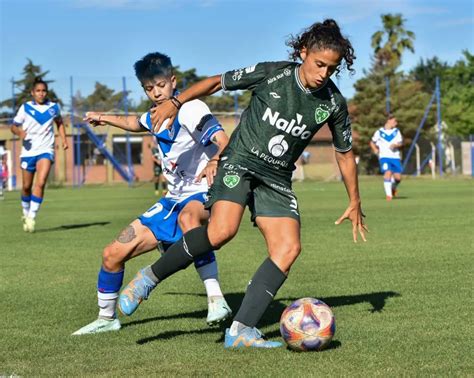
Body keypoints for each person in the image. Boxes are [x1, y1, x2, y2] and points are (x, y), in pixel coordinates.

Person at [119, 19, 367, 348]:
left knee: (288, 248)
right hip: (239, 160)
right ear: (303, 53)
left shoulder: (333, 103)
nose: (323, 74)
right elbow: (215, 82)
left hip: (277, 178)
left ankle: (240, 330)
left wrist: (354, 201)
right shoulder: (273, 73)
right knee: (222, 231)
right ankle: (149, 278)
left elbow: (345, 154)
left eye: (331, 69)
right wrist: (176, 102)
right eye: (319, 64)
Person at [72, 52, 232, 335]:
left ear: (173, 81)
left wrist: (215, 160)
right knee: (112, 254)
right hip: (171, 200)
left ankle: (216, 300)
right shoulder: (155, 115)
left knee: (188, 219)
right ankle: (106, 319)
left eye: (160, 85)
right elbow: (136, 123)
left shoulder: (191, 108)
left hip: (204, 192)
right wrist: (103, 118)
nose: (156, 93)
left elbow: (223, 140)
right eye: (149, 88)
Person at [11, 78, 68, 232]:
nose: (41, 93)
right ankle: (25, 212)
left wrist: (63, 139)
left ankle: (32, 217)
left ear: (46, 92)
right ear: (32, 93)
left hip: (46, 149)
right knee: (26, 186)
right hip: (28, 151)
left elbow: (60, 123)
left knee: (41, 182)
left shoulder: (53, 108)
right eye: (38, 91)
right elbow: (13, 127)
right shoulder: (25, 108)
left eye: (43, 91)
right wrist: (19, 132)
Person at [369, 114, 403, 200]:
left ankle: (392, 188)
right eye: (394, 121)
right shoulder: (379, 132)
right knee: (387, 173)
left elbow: (400, 143)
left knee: (398, 178)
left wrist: (395, 145)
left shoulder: (396, 131)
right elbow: (372, 142)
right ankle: (389, 195)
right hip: (384, 157)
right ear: (388, 121)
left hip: (395, 157)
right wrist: (375, 150)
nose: (396, 123)